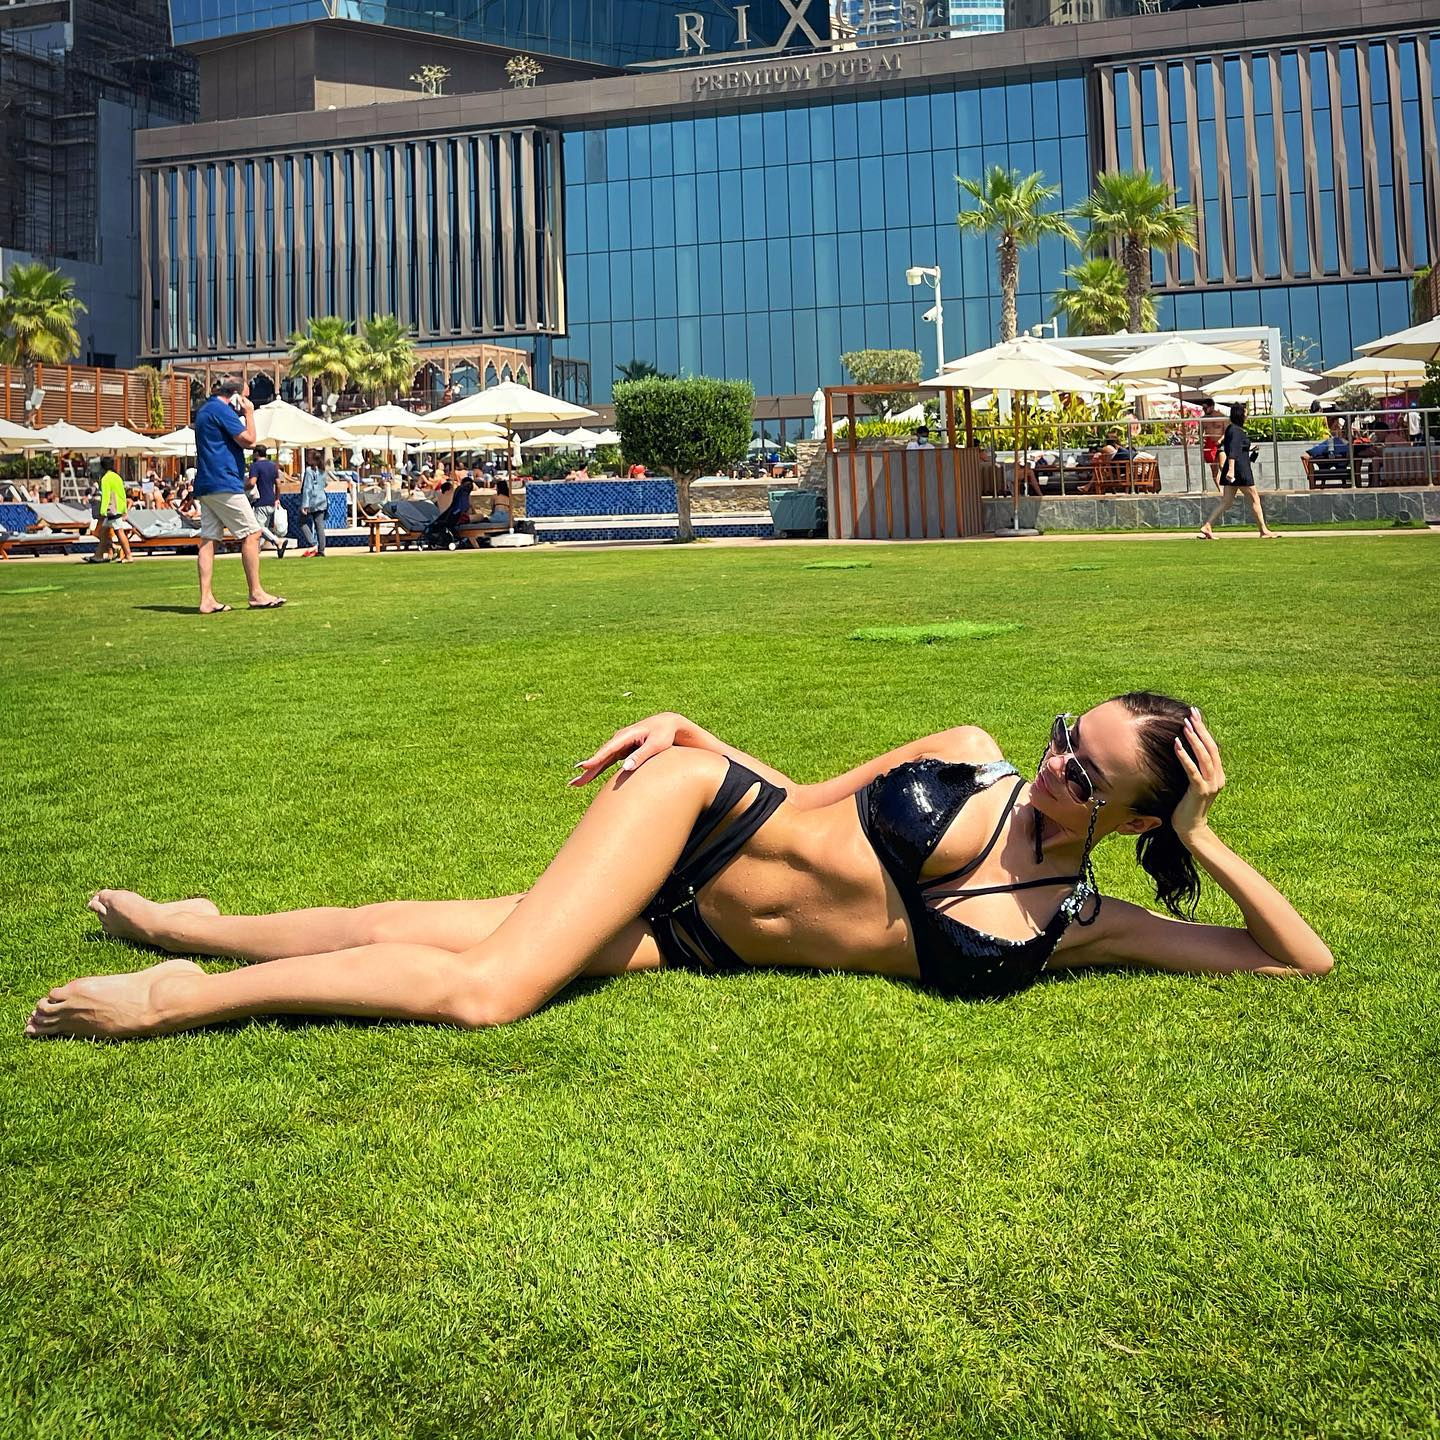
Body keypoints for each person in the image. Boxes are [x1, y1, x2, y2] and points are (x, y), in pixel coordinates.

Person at [25, 696, 1334, 1042]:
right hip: (703, 818)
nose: (1054, 768)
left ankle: (206, 927)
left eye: (1086, 776)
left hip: (698, 939)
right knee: (487, 989)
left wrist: (1207, 840)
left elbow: (1295, 962)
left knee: (441, 927)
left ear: (1139, 819)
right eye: (1064, 739)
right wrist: (695, 738)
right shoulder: (970, 756)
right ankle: (180, 996)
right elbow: (805, 799)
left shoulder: (1083, 922)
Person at [190, 378, 285, 612]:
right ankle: (256, 593)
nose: (246, 401)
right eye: (245, 397)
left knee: (208, 539)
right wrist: (249, 413)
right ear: (234, 396)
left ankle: (206, 599)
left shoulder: (205, 410)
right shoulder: (222, 410)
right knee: (252, 533)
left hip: (206, 483)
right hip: (224, 482)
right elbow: (250, 440)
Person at [1200, 404, 1277, 540]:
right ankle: (1263, 530)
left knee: (1226, 501)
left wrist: (1250, 450)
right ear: (1240, 415)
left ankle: (1207, 525)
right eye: (1245, 413)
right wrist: (1231, 470)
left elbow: (1235, 448)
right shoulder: (1236, 431)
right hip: (1240, 470)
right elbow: (1233, 450)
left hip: (1236, 468)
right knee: (1254, 499)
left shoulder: (1232, 429)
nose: (1246, 416)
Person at [87, 456, 133, 565]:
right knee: (103, 532)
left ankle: (128, 555)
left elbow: (106, 496)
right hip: (118, 507)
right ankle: (98, 555)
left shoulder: (105, 479)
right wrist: (124, 509)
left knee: (119, 532)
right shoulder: (117, 477)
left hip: (111, 510)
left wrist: (103, 511)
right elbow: (122, 494)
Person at [246, 445, 289, 558]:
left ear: (256, 453)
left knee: (258, 527)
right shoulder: (273, 466)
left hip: (260, 500)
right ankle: (257, 550)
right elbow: (278, 484)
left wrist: (242, 487)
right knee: (263, 527)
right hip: (271, 500)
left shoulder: (255, 466)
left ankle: (277, 541)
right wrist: (277, 498)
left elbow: (252, 483)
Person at [298, 452, 329, 558]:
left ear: (313, 459)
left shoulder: (309, 470)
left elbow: (307, 488)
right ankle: (321, 550)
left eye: (309, 457)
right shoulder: (322, 470)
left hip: (312, 500)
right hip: (322, 499)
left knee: (302, 522)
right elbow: (325, 484)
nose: (307, 459)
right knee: (319, 526)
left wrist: (304, 505)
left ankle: (313, 543)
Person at [1199, 398, 1228, 488]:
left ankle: (1229, 486)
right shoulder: (1203, 420)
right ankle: (1220, 491)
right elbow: (1200, 433)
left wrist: (1220, 440)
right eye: (1203, 408)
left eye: (1205, 408)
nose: (1204, 410)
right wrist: (1202, 439)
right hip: (1210, 445)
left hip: (1221, 444)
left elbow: (1227, 432)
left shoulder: (1221, 417)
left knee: (1222, 466)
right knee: (1214, 471)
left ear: (1212, 407)